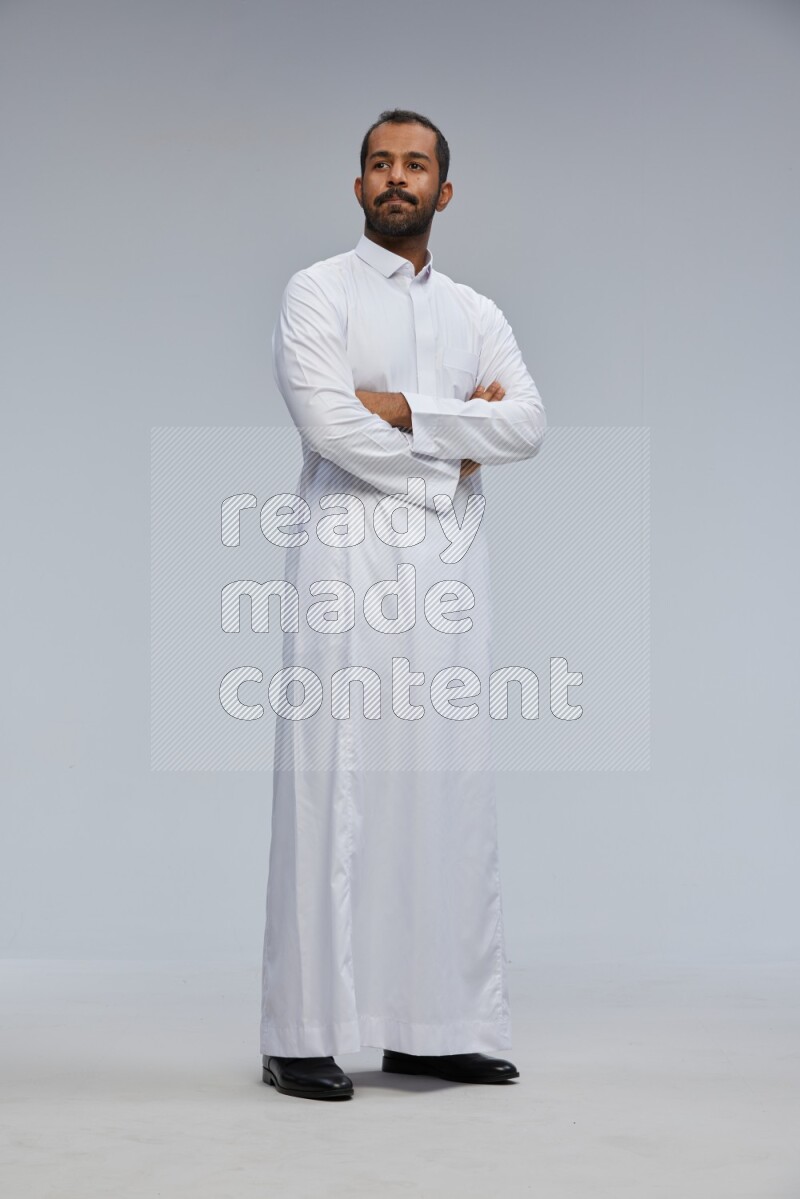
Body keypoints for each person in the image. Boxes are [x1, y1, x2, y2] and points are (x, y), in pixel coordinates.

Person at [260, 108, 547, 1100]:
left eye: (414, 164)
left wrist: (409, 408)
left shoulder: (474, 310)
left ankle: (433, 1025)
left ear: (442, 191)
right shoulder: (318, 292)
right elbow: (328, 421)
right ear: (357, 187)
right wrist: (449, 450)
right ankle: (301, 1030)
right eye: (378, 163)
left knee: (441, 790)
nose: (395, 177)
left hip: (449, 577)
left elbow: (528, 424)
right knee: (329, 785)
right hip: (345, 564)